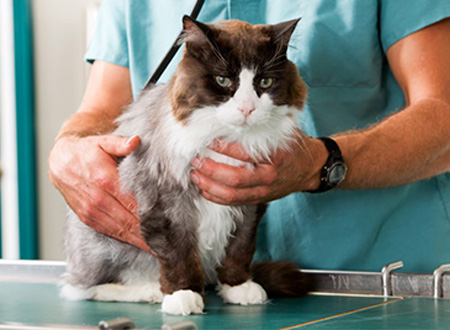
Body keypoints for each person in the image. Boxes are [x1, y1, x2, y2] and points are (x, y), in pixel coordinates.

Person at [49, 0, 450, 273]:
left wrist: (317, 164)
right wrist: (66, 151)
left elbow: (444, 115)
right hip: (196, 294)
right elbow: (102, 111)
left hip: (373, 286)